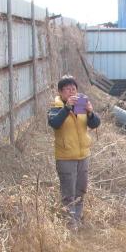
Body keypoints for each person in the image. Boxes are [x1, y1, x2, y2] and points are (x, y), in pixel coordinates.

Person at [47, 75, 101, 230]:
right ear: (60, 92)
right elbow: (55, 124)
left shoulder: (81, 106)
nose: (71, 92)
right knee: (68, 192)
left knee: (81, 189)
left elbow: (95, 124)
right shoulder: (56, 107)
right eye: (67, 89)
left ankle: (76, 219)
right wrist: (67, 108)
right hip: (65, 157)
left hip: (83, 155)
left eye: (74, 89)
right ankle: (69, 224)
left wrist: (90, 112)